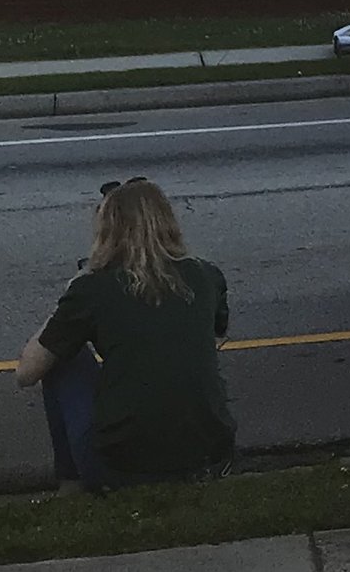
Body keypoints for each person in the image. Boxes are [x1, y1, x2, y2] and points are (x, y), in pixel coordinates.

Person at [16, 178, 235, 493]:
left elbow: (26, 372)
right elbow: (216, 338)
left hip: (124, 468)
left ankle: (71, 485)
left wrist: (70, 297)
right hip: (211, 456)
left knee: (63, 358)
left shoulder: (92, 288)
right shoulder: (207, 275)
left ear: (106, 231)